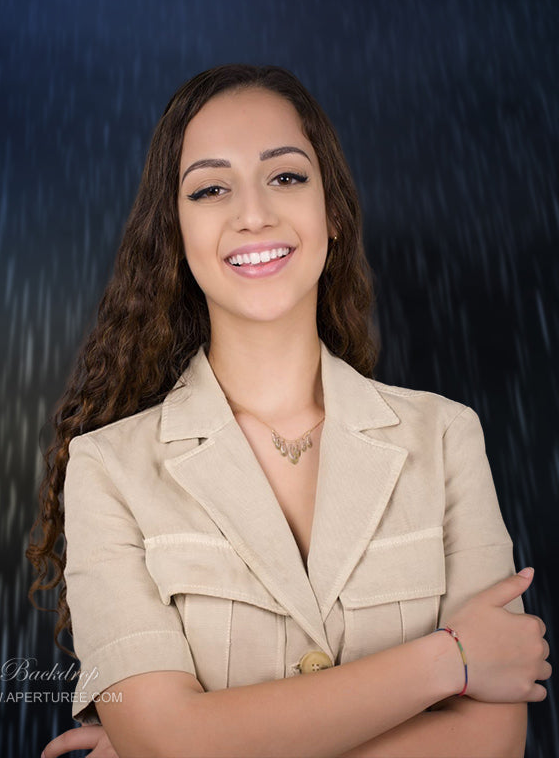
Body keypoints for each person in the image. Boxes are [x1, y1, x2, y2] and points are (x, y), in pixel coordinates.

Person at [27, 64, 550, 757]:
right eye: (211, 188)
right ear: (175, 235)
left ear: (331, 210)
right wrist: (449, 660)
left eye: (286, 176)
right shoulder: (107, 470)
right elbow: (168, 744)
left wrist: (199, 741)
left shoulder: (447, 437)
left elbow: (493, 741)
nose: (253, 213)